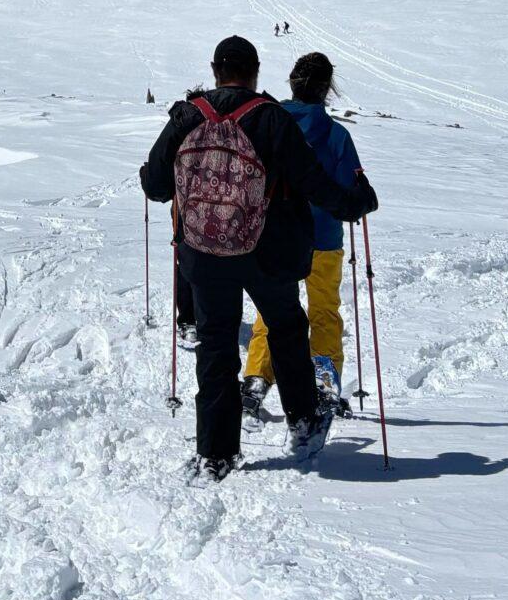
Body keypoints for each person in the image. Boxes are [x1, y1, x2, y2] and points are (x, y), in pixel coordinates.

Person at [140, 35, 377, 479]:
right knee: (287, 328)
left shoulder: (188, 115)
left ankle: (216, 453)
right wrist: (355, 203)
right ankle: (303, 424)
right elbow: (313, 183)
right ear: (255, 71)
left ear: (214, 70)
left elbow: (155, 186)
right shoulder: (270, 118)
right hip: (266, 252)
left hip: (203, 252)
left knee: (215, 346)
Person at [244, 52, 363, 416]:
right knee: (324, 309)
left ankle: (256, 379)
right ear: (327, 89)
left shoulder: (268, 123)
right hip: (324, 238)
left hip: (273, 235)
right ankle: (325, 385)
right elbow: (349, 190)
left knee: (271, 309)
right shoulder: (337, 136)